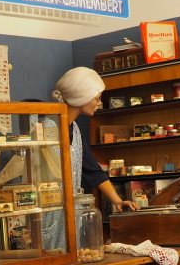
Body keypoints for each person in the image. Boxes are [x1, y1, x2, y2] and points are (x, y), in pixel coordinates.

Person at [52, 67, 138, 212]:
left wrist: (117, 201)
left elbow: (93, 170)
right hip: (51, 208)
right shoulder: (49, 128)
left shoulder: (74, 130)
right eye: (97, 98)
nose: (99, 103)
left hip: (68, 209)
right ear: (82, 97)